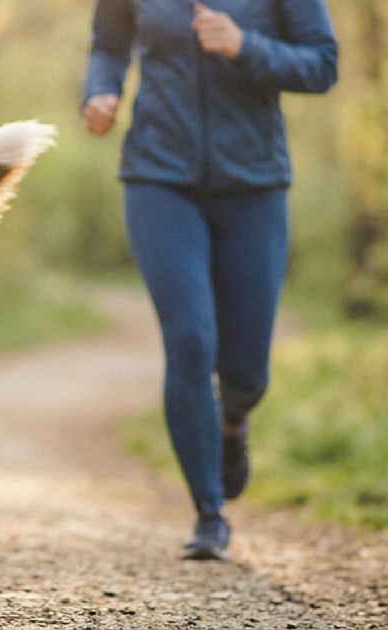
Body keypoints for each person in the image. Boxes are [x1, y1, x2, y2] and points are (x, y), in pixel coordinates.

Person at [81, 0, 338, 560]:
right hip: (158, 179)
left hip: (255, 185)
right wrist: (99, 93)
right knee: (191, 339)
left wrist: (246, 45)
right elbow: (108, 44)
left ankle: (233, 418)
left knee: (246, 370)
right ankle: (209, 511)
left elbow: (323, 65)